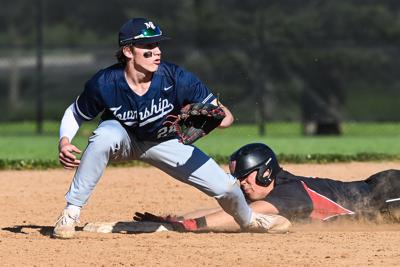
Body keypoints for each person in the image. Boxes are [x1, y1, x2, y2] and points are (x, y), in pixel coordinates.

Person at [53, 18, 288, 239]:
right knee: (104, 135)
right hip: (123, 139)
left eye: (157, 44)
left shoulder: (176, 78)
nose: (157, 51)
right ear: (127, 51)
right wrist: (64, 140)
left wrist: (215, 116)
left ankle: (249, 220)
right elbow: (75, 112)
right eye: (147, 46)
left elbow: (226, 117)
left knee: (226, 186)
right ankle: (71, 212)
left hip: (164, 141)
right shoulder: (105, 83)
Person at [134, 143, 400, 232]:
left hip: (387, 195)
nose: (241, 183)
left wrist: (189, 226)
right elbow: (233, 209)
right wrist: (178, 219)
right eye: (237, 177)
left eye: (247, 176)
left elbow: (237, 216)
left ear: (265, 173)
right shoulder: (276, 192)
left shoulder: (288, 193)